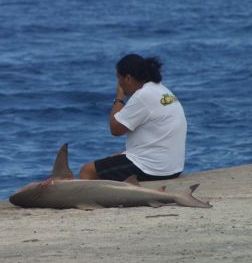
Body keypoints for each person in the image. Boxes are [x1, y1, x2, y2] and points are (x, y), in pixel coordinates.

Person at [80, 53, 187, 182]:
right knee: (113, 158)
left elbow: (115, 129)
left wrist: (119, 98)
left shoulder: (142, 96)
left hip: (153, 169)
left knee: (88, 171)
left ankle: (91, 201)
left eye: (118, 78)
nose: (118, 83)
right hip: (172, 167)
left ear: (128, 78)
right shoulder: (162, 90)